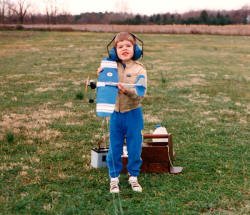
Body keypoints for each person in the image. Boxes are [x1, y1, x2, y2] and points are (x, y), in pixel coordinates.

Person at [97, 32, 147, 193]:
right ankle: (114, 178)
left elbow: (141, 93)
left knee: (134, 147)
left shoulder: (140, 69)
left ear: (135, 48)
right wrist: (101, 74)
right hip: (116, 114)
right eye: (120, 46)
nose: (124, 49)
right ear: (115, 50)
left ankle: (133, 177)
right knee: (115, 147)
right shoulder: (110, 66)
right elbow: (104, 84)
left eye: (128, 46)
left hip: (133, 113)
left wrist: (126, 91)